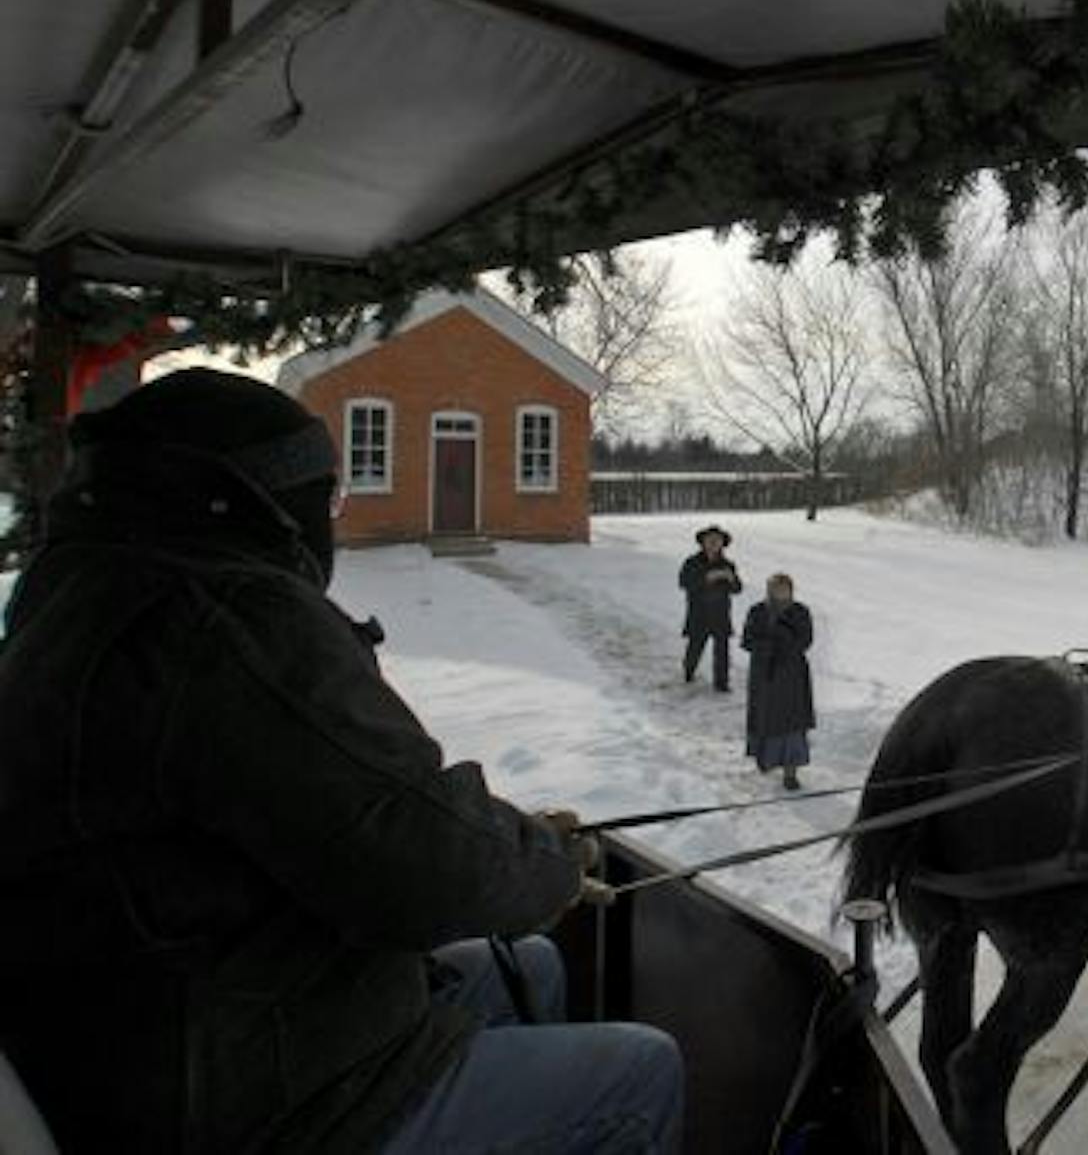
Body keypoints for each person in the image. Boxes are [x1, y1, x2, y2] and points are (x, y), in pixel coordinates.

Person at [0, 370, 683, 1154]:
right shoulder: (227, 624)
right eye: (325, 503)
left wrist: (517, 845)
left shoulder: (84, 585)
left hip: (151, 1022)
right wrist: (548, 865)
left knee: (528, 964)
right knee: (639, 1070)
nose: (328, 525)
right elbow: (413, 848)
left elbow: (338, 809)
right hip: (231, 1093)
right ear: (260, 501)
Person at [741, 572, 816, 790]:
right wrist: (768, 647)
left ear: (791, 590)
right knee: (765, 720)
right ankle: (766, 759)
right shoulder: (757, 611)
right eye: (776, 588)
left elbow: (805, 640)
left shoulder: (800, 612)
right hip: (764, 677)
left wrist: (782, 641)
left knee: (792, 725)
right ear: (769, 589)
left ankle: (790, 773)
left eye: (785, 588)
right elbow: (747, 640)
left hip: (792, 677)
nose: (780, 592)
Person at [678, 524, 743, 691]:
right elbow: (684, 583)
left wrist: (731, 579)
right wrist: (706, 578)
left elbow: (737, 589)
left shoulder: (728, 564)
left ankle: (721, 683)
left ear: (723, 544)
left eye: (717, 541)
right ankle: (688, 671)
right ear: (703, 543)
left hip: (720, 613)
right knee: (696, 645)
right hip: (699, 612)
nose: (714, 543)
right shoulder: (692, 562)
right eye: (710, 540)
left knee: (722, 650)